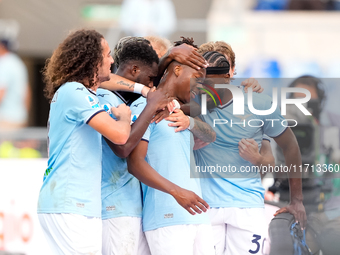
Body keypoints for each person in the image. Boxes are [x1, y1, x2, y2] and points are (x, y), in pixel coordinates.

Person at [193, 51, 306, 255]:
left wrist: (296, 200)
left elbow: (290, 146)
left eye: (209, 82)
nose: (203, 89)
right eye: (198, 82)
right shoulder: (193, 104)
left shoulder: (258, 103)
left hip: (246, 206)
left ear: (227, 76)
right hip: (205, 206)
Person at [37, 29, 134, 254]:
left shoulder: (79, 91)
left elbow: (110, 82)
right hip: (70, 201)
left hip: (75, 203)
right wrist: (125, 117)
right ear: (91, 60)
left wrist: (144, 91)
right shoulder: (74, 91)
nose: (112, 60)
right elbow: (120, 136)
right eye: (108, 54)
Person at [127, 38, 216, 255]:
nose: (199, 87)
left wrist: (191, 121)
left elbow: (211, 134)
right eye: (196, 78)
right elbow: (135, 163)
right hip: (167, 217)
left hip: (198, 216)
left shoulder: (178, 110)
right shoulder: (145, 107)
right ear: (176, 70)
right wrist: (177, 192)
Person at [98, 39, 167, 255]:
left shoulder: (130, 98)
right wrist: (151, 104)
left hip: (132, 206)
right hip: (113, 206)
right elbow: (123, 147)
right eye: (150, 79)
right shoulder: (103, 97)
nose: (152, 85)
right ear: (135, 69)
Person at [0, 38, 30, 129]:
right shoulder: (19, 63)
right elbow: (27, 92)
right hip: (19, 118)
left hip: (5, 119)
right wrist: (25, 114)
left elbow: (1, 91)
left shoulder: (5, 63)